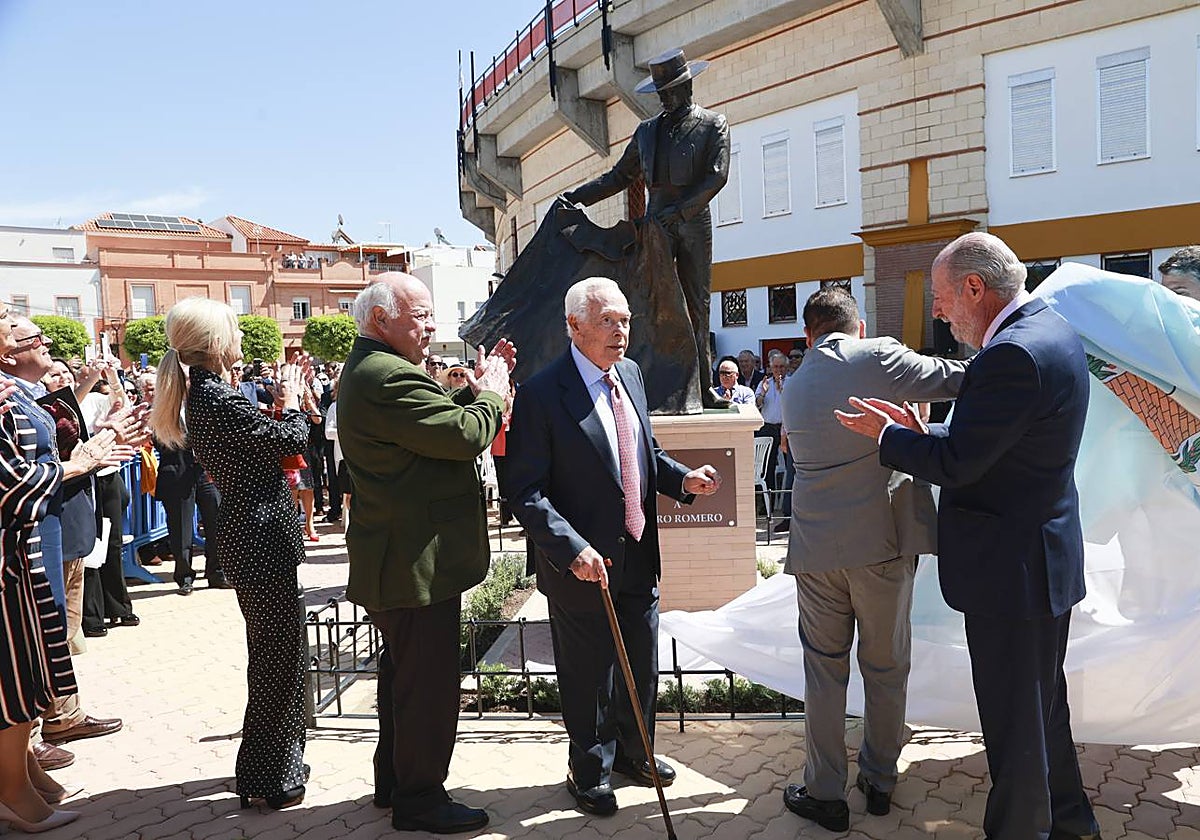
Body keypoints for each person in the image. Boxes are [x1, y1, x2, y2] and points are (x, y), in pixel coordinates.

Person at [835, 232, 1100, 840]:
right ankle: (1070, 820)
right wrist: (922, 435)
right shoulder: (1047, 332)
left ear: (976, 288)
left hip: (1012, 573)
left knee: (1015, 725)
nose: (937, 310)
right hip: (1037, 562)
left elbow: (959, 464)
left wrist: (888, 440)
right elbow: (997, 442)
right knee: (1040, 711)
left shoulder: (1011, 354)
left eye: (942, 295)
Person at [503, 277, 720, 817]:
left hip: (639, 556)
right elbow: (523, 489)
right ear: (574, 326)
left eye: (625, 320)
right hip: (581, 566)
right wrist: (570, 547)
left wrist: (681, 480)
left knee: (639, 665)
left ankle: (634, 753)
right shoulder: (541, 393)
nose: (621, 331)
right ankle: (589, 770)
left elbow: (643, 451)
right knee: (588, 673)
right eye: (608, 321)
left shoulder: (631, 375)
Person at [779, 288, 967, 831]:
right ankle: (880, 780)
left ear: (809, 334)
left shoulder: (793, 384)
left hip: (815, 549)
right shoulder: (878, 355)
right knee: (885, 668)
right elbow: (957, 377)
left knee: (823, 672)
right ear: (856, 326)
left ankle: (824, 792)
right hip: (881, 545)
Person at [338, 273, 512, 835]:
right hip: (412, 562)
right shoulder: (386, 374)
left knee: (404, 679)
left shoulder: (378, 369)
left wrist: (472, 390)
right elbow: (461, 435)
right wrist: (492, 394)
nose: (432, 327)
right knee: (429, 686)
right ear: (381, 320)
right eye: (420, 316)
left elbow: (427, 424)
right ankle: (420, 799)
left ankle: (395, 781)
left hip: (400, 557)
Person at [149, 298, 315, 811]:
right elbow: (288, 438)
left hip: (253, 533)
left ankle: (268, 766)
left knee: (276, 655)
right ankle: (269, 774)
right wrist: (289, 401)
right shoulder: (217, 396)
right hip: (259, 535)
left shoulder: (209, 393)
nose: (241, 339)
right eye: (235, 331)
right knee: (277, 659)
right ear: (217, 344)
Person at [563, 49, 730, 407]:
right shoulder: (647, 132)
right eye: (661, 92)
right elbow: (619, 176)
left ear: (687, 86)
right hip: (655, 224)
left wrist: (681, 213)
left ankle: (703, 387)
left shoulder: (713, 124)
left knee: (697, 306)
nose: (666, 98)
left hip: (692, 223)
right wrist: (577, 196)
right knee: (651, 302)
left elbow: (716, 177)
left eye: (671, 90)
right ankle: (655, 381)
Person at [755, 352, 787, 521]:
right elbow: (757, 404)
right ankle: (768, 507)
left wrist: (783, 390)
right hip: (767, 428)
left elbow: (790, 404)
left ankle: (787, 505)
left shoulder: (791, 383)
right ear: (770, 367)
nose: (779, 370)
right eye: (776, 367)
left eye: (782, 366)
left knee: (790, 467)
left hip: (785, 429)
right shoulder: (764, 383)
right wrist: (764, 393)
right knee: (766, 469)